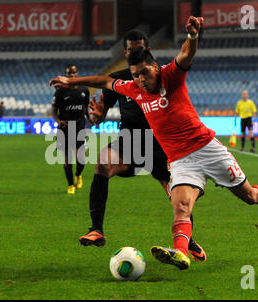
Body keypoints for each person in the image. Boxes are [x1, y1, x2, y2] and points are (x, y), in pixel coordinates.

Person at [50, 16, 258, 271]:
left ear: (155, 67)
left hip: (207, 149)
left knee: (248, 196)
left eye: (144, 73)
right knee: (181, 206)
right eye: (135, 75)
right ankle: (181, 253)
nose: (140, 79)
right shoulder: (134, 89)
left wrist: (193, 36)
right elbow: (106, 82)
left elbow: (185, 54)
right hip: (180, 160)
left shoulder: (171, 76)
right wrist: (70, 82)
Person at [78, 29, 207, 263]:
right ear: (125, 51)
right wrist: (96, 117)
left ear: (147, 50)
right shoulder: (119, 79)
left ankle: (187, 240)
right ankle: (96, 230)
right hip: (130, 141)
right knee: (103, 164)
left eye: (138, 48)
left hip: (162, 145)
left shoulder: (163, 75)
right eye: (129, 49)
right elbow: (100, 113)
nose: (132, 52)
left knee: (177, 197)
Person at [52, 64, 90, 194]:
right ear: (66, 76)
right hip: (65, 129)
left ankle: (78, 175)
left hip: (79, 128)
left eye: (74, 73)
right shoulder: (60, 92)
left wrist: (91, 119)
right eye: (69, 74)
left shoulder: (84, 90)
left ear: (77, 74)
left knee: (81, 158)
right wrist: (58, 121)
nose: (72, 75)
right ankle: (70, 185)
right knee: (67, 159)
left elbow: (86, 109)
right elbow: (54, 110)